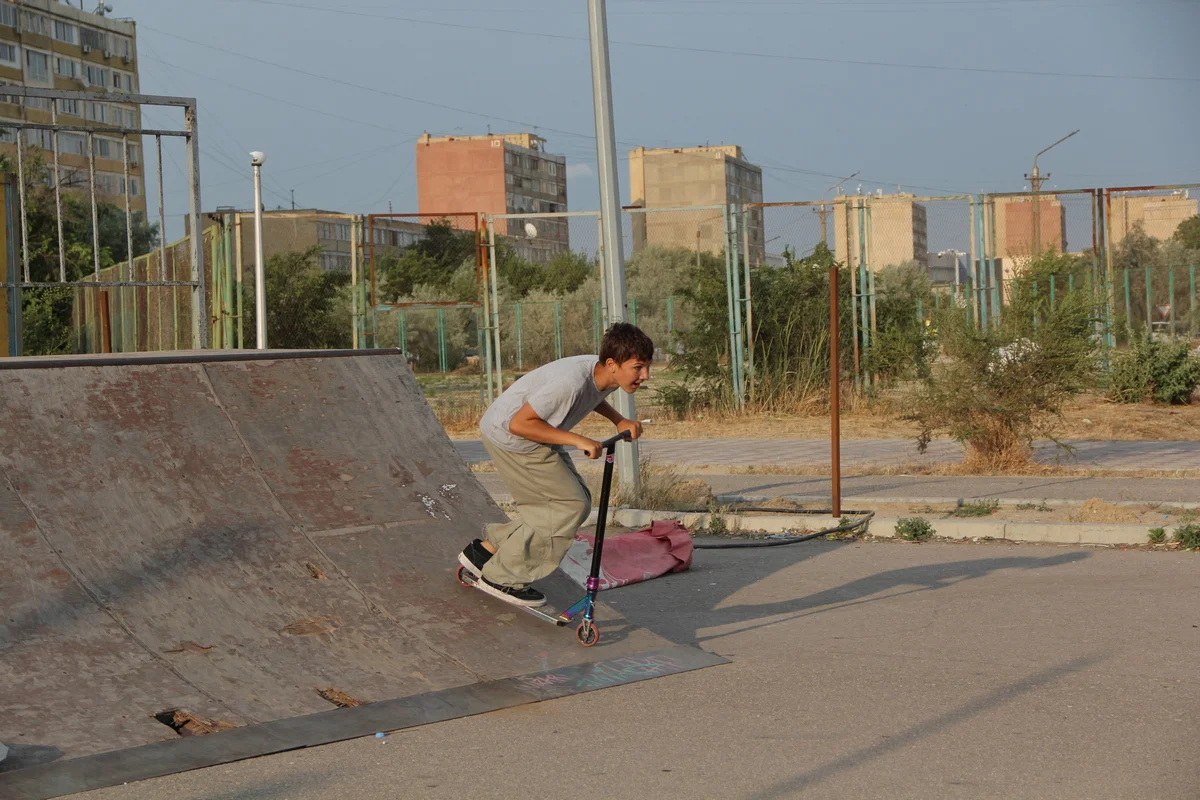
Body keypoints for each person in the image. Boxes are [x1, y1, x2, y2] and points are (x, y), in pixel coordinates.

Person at [458, 322, 653, 608]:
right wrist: (577, 440)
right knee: (567, 506)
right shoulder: (570, 383)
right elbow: (520, 423)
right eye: (638, 367)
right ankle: (503, 577)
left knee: (574, 503)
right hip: (512, 437)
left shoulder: (599, 373)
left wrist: (618, 420)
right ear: (613, 363)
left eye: (647, 367)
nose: (645, 375)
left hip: (533, 436)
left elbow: (593, 396)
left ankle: (486, 552)